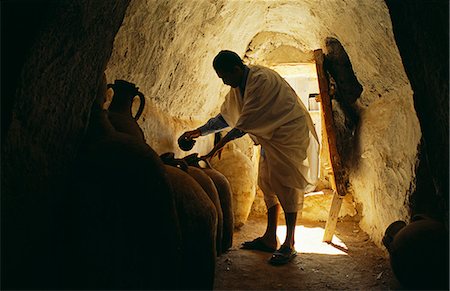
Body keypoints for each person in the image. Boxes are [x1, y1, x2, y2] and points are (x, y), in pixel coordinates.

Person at [179, 50, 319, 265]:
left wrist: (220, 144)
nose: (225, 82)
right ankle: (270, 238)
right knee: (267, 183)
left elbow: (245, 122)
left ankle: (289, 244)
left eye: (225, 76)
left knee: (287, 186)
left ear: (236, 69)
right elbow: (227, 117)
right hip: (268, 136)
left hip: (289, 133)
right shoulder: (238, 87)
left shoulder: (260, 80)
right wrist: (198, 132)